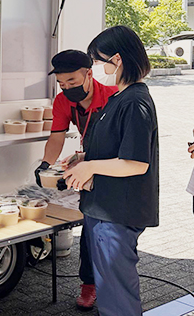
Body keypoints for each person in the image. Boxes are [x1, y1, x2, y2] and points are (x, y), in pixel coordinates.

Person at [63, 25, 159, 316]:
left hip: (117, 213)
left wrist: (91, 166)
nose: (96, 67)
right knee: (110, 293)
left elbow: (136, 163)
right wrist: (83, 158)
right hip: (104, 210)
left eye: (97, 60)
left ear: (117, 59)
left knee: (117, 298)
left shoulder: (135, 102)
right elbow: (115, 148)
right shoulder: (120, 98)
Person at [34, 49, 117, 311]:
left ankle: (114, 288)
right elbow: (57, 137)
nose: (67, 87)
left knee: (114, 233)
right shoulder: (62, 101)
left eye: (72, 81)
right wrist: (46, 165)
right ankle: (89, 285)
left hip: (116, 167)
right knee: (90, 229)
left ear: (89, 74)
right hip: (88, 168)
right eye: (62, 83)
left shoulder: (114, 96)